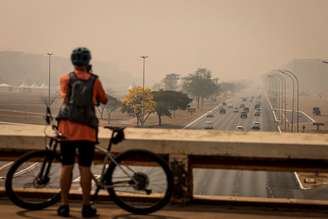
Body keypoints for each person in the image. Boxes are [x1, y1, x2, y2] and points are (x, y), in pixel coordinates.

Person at [56, 47, 108, 217]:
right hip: (87, 130)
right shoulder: (95, 80)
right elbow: (104, 99)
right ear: (88, 62)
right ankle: (86, 206)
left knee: (67, 166)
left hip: (67, 129)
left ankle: (64, 205)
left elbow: (64, 97)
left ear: (73, 62)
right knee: (85, 168)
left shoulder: (65, 78)